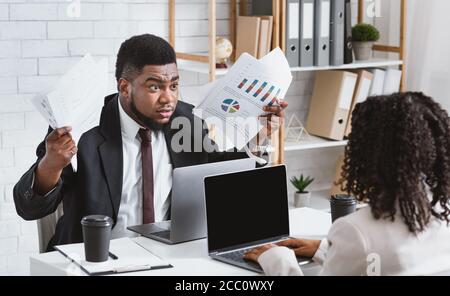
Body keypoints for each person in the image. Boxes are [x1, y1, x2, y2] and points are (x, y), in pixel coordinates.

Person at [13, 34, 288, 251]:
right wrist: (51, 165)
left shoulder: (187, 121)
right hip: (97, 258)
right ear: (124, 87)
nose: (168, 98)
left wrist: (258, 137)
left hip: (169, 255)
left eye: (174, 85)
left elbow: (217, 176)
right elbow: (29, 208)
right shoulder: (85, 130)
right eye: (155, 87)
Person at [244, 92, 450, 276]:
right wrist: (327, 249)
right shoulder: (443, 211)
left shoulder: (355, 230)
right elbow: (386, 263)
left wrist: (278, 259)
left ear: (366, 152)